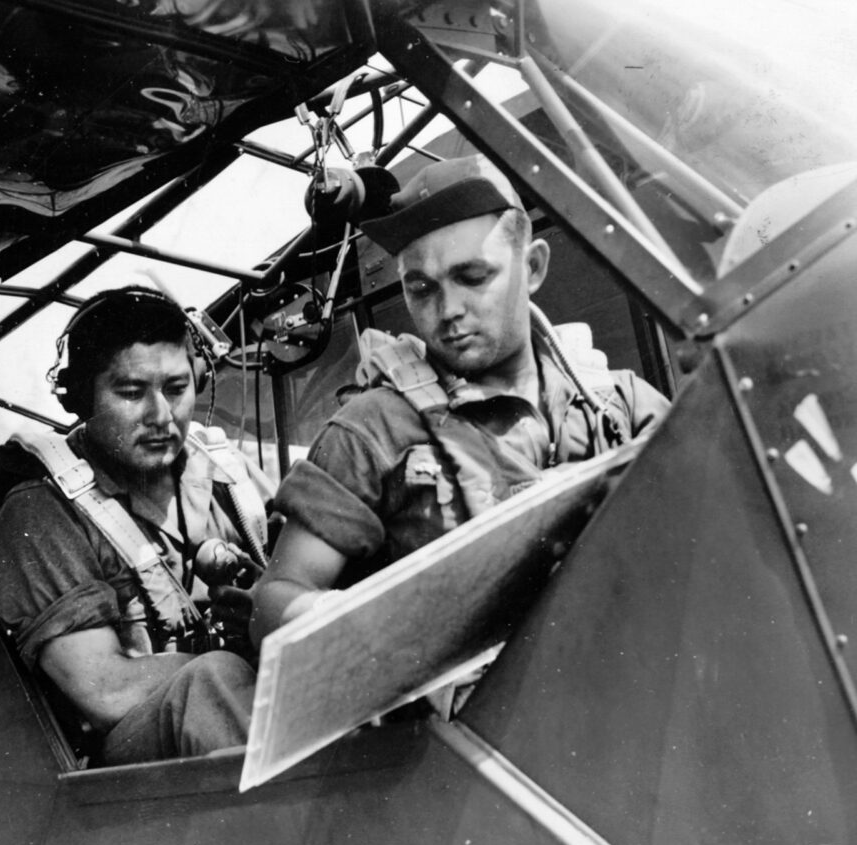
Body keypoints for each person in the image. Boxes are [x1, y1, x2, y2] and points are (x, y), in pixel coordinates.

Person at [250, 155, 670, 645]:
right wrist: (392, 624)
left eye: (472, 277)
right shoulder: (372, 432)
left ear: (532, 267)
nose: (447, 311)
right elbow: (275, 600)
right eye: (421, 289)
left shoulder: (616, 404)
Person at [0, 285, 271, 766]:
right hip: (126, 770)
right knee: (211, 681)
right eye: (132, 392)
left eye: (177, 389)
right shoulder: (42, 512)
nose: (161, 416)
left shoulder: (227, 473)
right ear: (83, 397)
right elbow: (104, 692)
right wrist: (244, 667)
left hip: (239, 722)